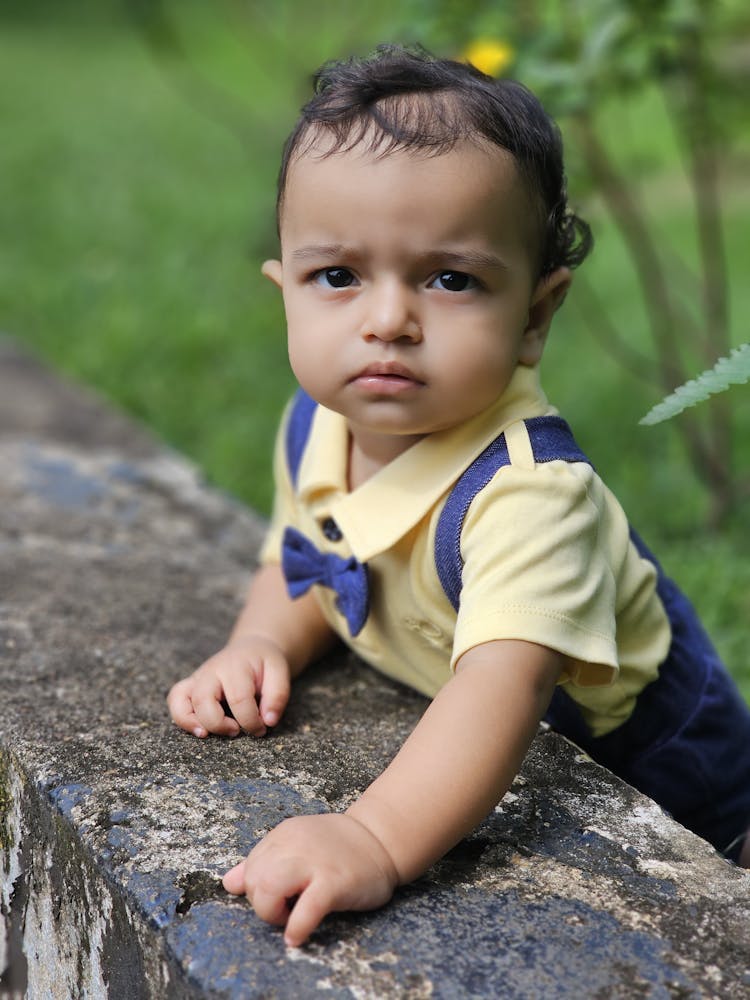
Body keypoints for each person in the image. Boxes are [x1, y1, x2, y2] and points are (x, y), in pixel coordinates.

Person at [167, 45, 750, 947]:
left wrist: (372, 835)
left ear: (536, 314)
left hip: (658, 772)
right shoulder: (316, 421)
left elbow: (499, 690)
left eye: (450, 279)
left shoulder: (528, 494)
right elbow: (308, 545)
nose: (388, 319)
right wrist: (260, 641)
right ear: (284, 292)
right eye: (338, 276)